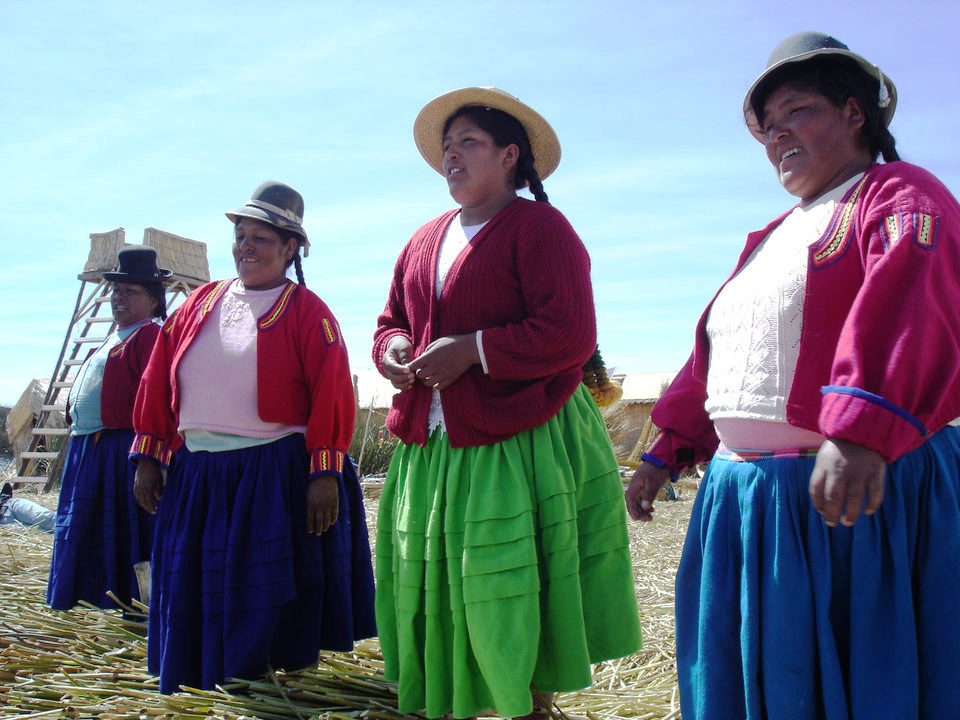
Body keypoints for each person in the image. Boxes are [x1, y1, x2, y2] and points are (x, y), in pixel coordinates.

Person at [626, 32, 960, 720]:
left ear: (854, 112)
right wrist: (666, 451)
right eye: (767, 125)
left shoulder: (899, 196)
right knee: (763, 680)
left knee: (865, 677)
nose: (777, 135)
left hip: (850, 499)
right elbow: (719, 353)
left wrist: (863, 429)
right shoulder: (772, 237)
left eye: (796, 111)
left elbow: (913, 298)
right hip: (748, 501)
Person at [373, 88, 641, 719]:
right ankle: (455, 696)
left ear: (510, 155)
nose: (452, 157)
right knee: (440, 573)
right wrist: (394, 348)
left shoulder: (541, 229)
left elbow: (569, 332)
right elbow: (392, 319)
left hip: (518, 431)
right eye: (447, 147)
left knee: (512, 575)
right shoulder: (423, 240)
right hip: (435, 439)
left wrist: (472, 349)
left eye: (468, 143)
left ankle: (530, 701)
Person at [131, 181, 376, 694]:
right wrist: (149, 455)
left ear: (291, 249)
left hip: (269, 471)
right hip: (198, 471)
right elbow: (157, 377)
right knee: (193, 580)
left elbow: (332, 392)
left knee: (256, 587)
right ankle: (198, 677)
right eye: (240, 235)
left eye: (260, 238)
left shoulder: (309, 313)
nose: (245, 246)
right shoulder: (200, 303)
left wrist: (325, 472)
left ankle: (253, 683)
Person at [47, 245, 169, 610]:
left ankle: (131, 606)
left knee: (123, 535)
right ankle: (82, 602)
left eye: (131, 291)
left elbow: (158, 398)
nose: (119, 298)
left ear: (153, 299)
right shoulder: (112, 337)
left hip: (120, 452)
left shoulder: (150, 337)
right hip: (88, 450)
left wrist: (148, 458)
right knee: (83, 531)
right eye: (116, 290)